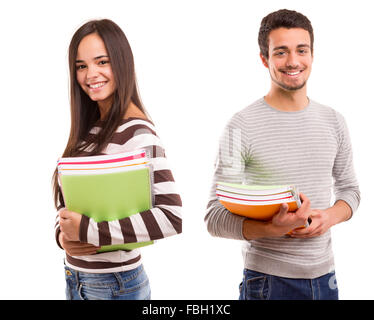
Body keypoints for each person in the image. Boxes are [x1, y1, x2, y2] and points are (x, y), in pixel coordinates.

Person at [204, 9, 360, 300]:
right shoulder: (241, 126)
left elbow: (350, 191)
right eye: (281, 52)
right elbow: (214, 217)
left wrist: (329, 216)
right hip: (268, 282)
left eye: (302, 50)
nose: (293, 61)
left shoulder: (334, 121)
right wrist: (272, 229)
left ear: (312, 54)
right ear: (264, 59)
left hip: (326, 281)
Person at [52, 19, 182, 300]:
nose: (91, 74)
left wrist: (88, 231)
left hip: (114, 284)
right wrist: (64, 238)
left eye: (102, 61)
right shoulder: (89, 130)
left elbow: (172, 216)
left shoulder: (139, 133)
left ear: (122, 63)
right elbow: (67, 204)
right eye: (81, 66)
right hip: (76, 279)